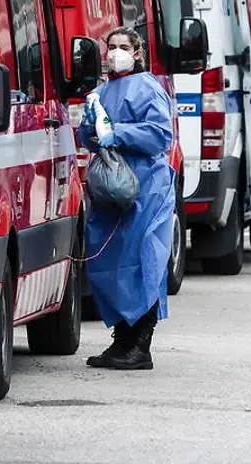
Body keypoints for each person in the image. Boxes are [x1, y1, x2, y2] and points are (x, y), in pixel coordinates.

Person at [78, 27, 175, 371]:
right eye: (112, 47)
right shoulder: (102, 91)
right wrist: (91, 129)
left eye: (124, 47)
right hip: (110, 188)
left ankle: (140, 345)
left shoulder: (148, 87)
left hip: (145, 186)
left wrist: (117, 133)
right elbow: (89, 137)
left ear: (137, 53)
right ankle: (121, 341)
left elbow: (161, 134)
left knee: (142, 261)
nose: (116, 52)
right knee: (111, 263)